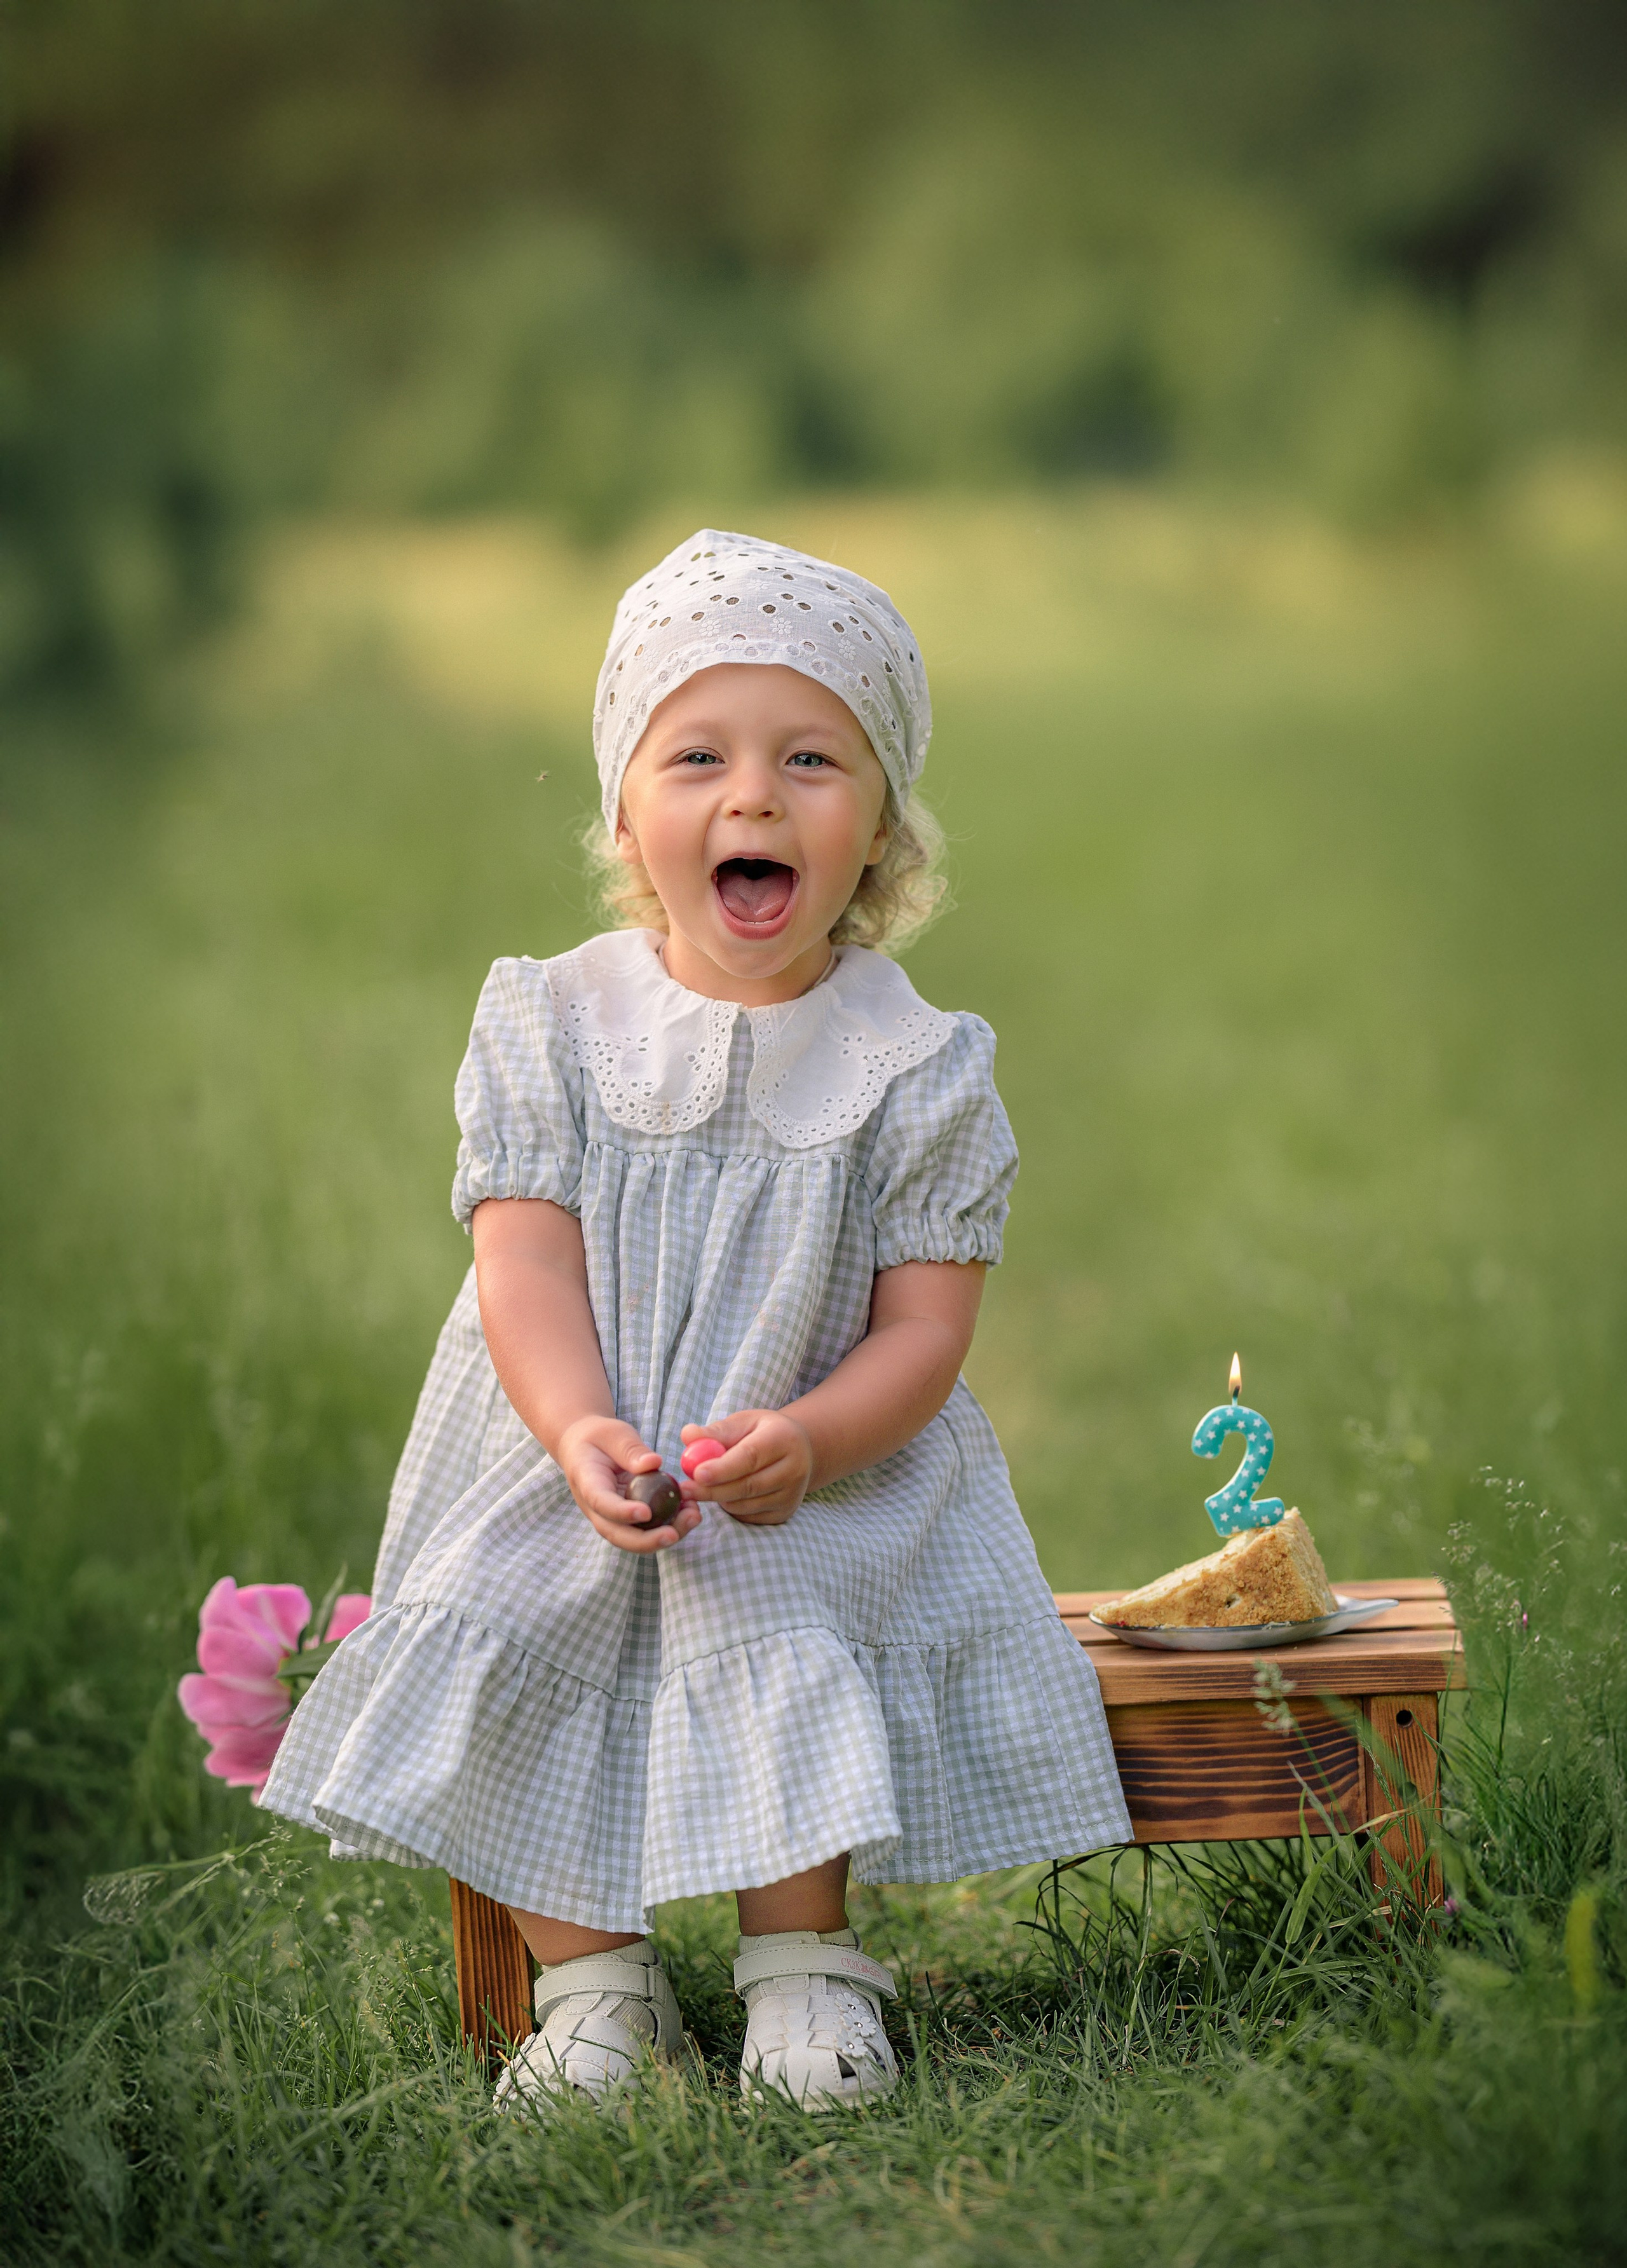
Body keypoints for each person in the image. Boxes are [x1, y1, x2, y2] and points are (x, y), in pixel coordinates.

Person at [261, 529, 1131, 2110]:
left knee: (776, 1614)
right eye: (697, 756)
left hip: (809, 1462)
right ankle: (593, 1984)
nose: (753, 798)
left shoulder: (915, 1063)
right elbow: (521, 1264)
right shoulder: (551, 1020)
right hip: (575, 1439)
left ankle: (802, 1961)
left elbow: (924, 1330)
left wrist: (812, 1437)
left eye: (811, 758)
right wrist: (572, 1424)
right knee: (520, 1609)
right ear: (623, 810)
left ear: (880, 825)